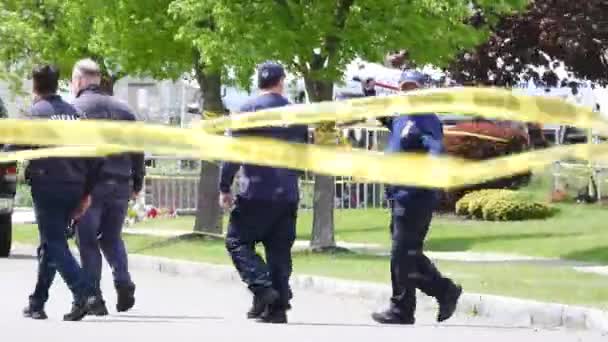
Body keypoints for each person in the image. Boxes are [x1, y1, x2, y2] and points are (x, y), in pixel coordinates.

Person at [368, 70, 462, 325]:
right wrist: (369, 94)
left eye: (413, 87)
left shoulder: (425, 119)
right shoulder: (403, 118)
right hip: (399, 195)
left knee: (402, 255)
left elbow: (436, 147)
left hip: (416, 196)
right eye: (404, 88)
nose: (408, 92)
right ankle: (444, 290)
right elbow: (387, 120)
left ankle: (402, 309)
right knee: (407, 254)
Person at [220, 61, 307, 324]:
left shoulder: (247, 111)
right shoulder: (296, 114)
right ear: (281, 81)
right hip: (287, 193)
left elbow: (233, 153)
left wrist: (225, 186)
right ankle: (276, 307)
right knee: (279, 251)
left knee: (236, 241)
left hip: (256, 191)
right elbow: (304, 152)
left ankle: (262, 287)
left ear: (259, 82)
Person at [19, 65, 105, 321]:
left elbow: (10, 149)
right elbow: (96, 158)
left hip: (47, 188)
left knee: (54, 243)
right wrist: (86, 193)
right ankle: (37, 302)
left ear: (35, 86)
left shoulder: (34, 114)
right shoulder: (77, 115)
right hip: (75, 187)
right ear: (58, 85)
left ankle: (85, 293)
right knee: (51, 243)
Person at [70, 59, 145, 315]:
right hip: (121, 183)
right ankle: (123, 281)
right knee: (112, 238)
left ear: (79, 80)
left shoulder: (74, 109)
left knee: (88, 241)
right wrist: (137, 182)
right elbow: (137, 149)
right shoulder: (124, 109)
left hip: (90, 186)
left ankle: (95, 298)